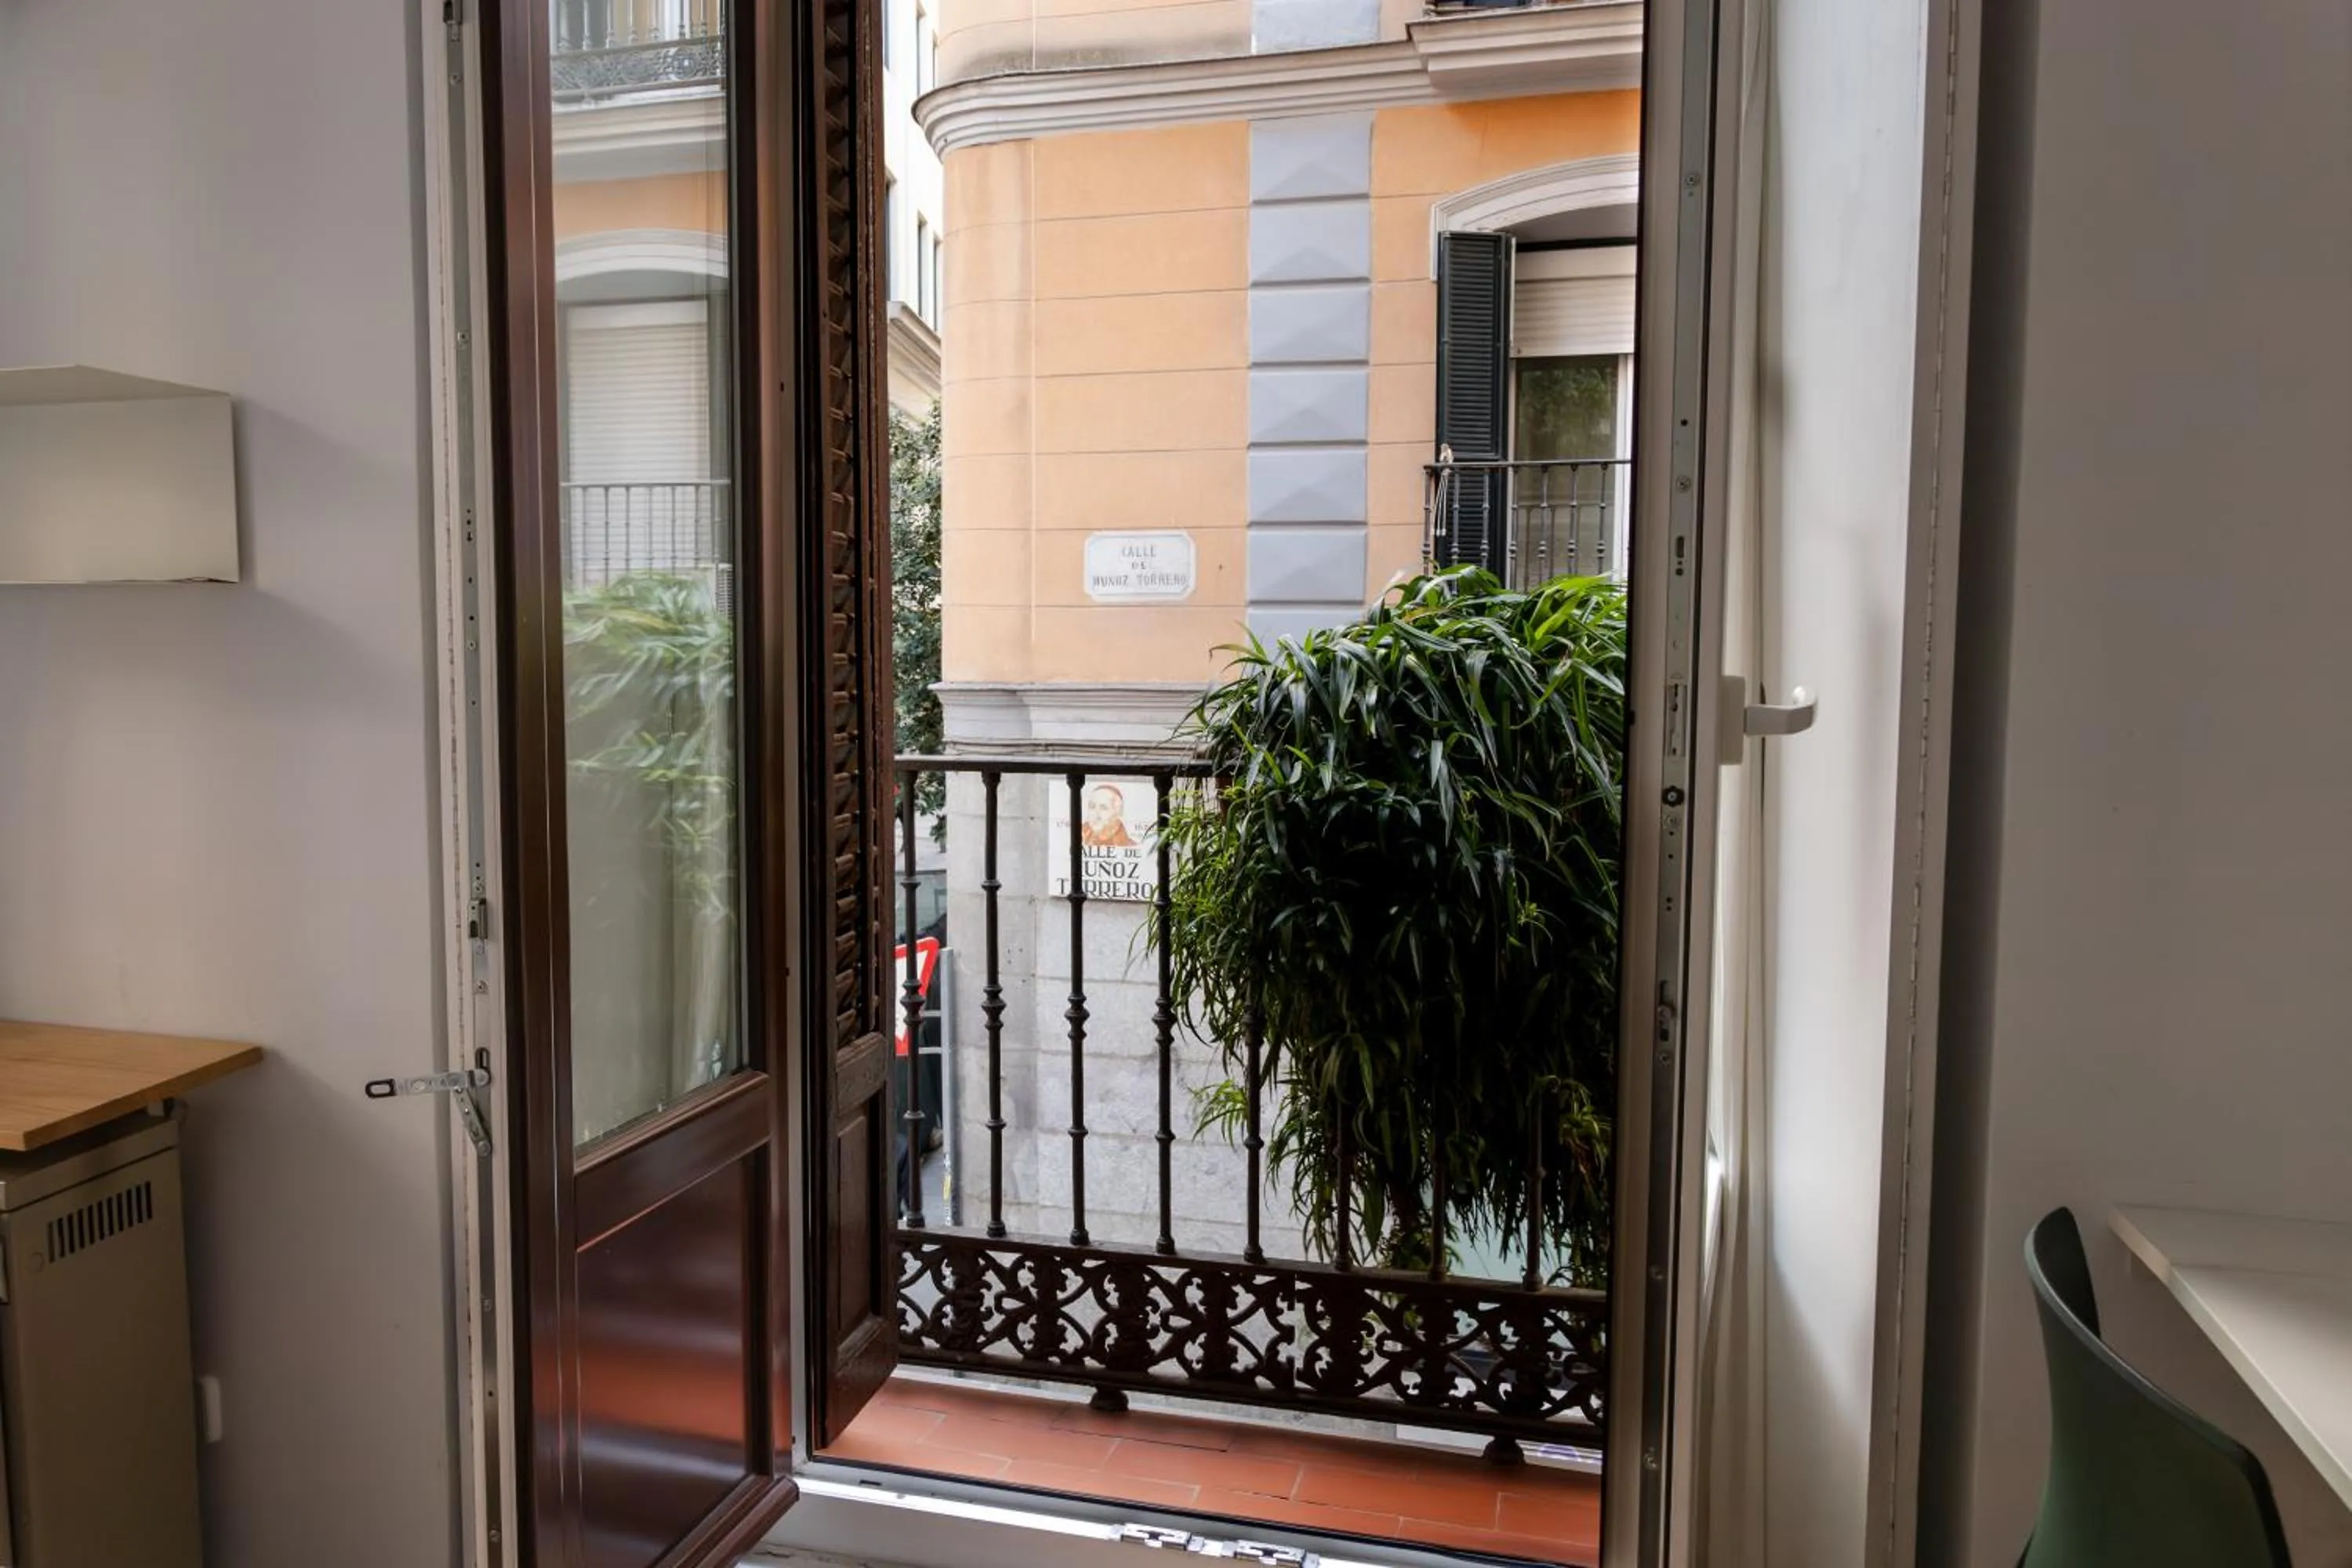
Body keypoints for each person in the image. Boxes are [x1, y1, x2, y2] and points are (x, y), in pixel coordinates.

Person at [1080, 782, 1134, 848]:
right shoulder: (1078, 839)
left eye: (1103, 808)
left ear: (1118, 812)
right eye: (1092, 806)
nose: (1096, 814)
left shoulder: (1131, 847)